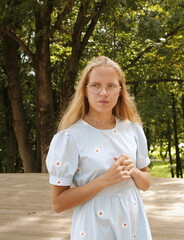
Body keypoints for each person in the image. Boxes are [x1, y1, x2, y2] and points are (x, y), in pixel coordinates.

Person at [46, 56, 152, 240]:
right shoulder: (71, 137)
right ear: (85, 90)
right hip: (94, 228)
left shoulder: (132, 129)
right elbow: (58, 203)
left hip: (134, 222)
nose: (104, 93)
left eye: (111, 86)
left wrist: (133, 171)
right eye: (95, 85)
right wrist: (105, 180)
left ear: (120, 91)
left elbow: (145, 183)